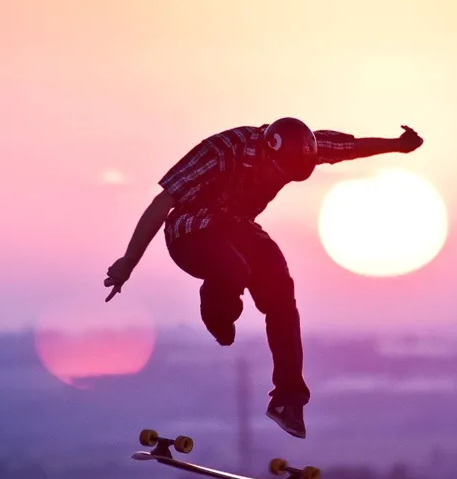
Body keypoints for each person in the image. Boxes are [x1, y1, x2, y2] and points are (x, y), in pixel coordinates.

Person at [103, 117, 424, 439]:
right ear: (268, 154)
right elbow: (163, 203)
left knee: (282, 295)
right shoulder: (221, 151)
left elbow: (348, 148)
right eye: (278, 173)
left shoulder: (302, 148)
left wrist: (397, 145)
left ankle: (288, 399)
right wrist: (129, 262)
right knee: (234, 268)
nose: (279, 180)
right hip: (189, 232)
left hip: (237, 227)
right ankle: (217, 313)